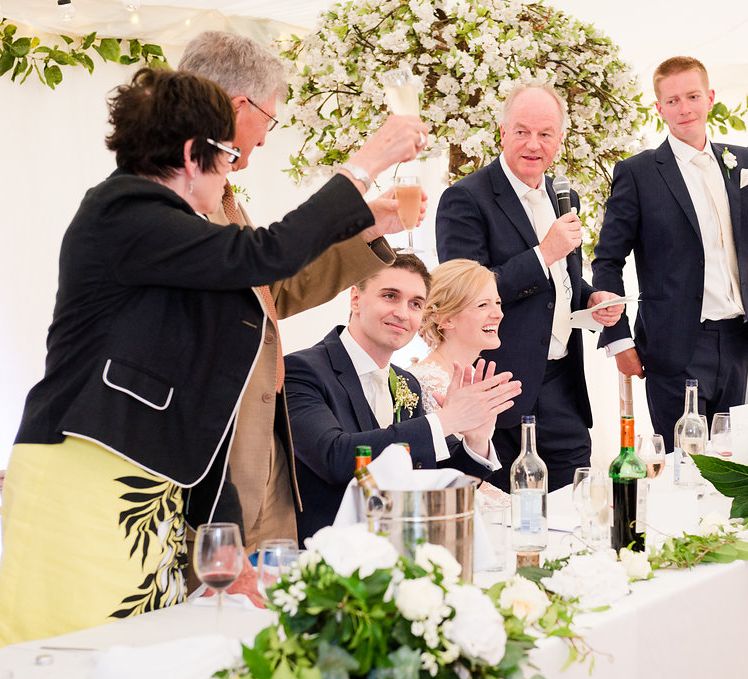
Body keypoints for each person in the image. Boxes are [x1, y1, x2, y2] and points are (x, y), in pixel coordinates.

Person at [0, 67, 427, 645]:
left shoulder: (179, 238)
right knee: (79, 652)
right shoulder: (122, 209)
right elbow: (266, 252)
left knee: (144, 652)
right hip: (89, 469)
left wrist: (221, 533)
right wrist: (364, 164)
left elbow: (213, 391)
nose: (235, 170)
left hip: (156, 483)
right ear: (190, 152)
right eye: (228, 156)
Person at [178, 31, 424, 550]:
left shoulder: (224, 197)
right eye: (267, 120)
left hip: (257, 448)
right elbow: (267, 260)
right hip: (207, 447)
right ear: (235, 104)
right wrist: (362, 169)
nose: (264, 141)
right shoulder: (178, 199)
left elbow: (274, 291)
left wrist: (367, 232)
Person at [436, 84, 623, 491]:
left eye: (545, 133)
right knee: (511, 520)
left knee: (578, 505)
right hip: (498, 388)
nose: (533, 144)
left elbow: (562, 280)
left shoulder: (563, 194)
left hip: (563, 385)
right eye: (522, 131)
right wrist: (544, 253)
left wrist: (590, 296)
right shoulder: (465, 198)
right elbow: (462, 294)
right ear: (502, 132)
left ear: (559, 139)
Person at [284, 253, 522, 541]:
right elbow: (335, 456)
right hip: (328, 555)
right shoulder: (301, 370)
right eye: (390, 296)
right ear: (355, 299)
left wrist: (476, 440)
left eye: (415, 304)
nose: (403, 313)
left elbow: (436, 476)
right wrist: (444, 421)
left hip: (402, 550)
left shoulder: (407, 382)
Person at [592, 56, 748, 450]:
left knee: (734, 466)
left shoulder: (742, 163)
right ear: (659, 108)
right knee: (684, 469)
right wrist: (619, 341)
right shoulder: (638, 173)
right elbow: (607, 261)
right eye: (673, 100)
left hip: (737, 342)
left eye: (693, 96)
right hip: (675, 347)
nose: (684, 109)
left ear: (710, 97)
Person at [410, 259, 503, 415]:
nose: (498, 314)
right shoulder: (425, 383)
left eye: (498, 302)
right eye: (482, 305)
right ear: (445, 319)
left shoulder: (472, 374)